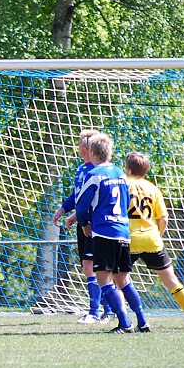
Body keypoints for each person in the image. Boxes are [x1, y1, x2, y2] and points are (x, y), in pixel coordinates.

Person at [125, 151, 184, 333]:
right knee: (172, 281)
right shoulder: (153, 188)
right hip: (152, 240)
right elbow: (164, 219)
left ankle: (125, 320)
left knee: (119, 281)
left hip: (129, 240)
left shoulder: (123, 184)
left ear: (128, 168)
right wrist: (157, 235)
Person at [75, 133, 148, 333]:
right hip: (123, 232)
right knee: (123, 280)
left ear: (92, 152)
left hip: (104, 233)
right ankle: (143, 320)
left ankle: (125, 324)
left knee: (104, 280)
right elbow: (126, 201)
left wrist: (84, 223)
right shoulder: (120, 174)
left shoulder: (94, 175)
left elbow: (81, 207)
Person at [53, 129, 113, 324]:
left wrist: (85, 221)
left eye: (80, 144)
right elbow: (77, 197)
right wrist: (64, 210)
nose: (78, 147)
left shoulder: (97, 172)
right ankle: (104, 310)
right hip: (84, 224)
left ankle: (99, 311)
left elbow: (95, 201)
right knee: (89, 267)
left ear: (88, 148)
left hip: (94, 226)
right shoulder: (81, 169)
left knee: (93, 267)